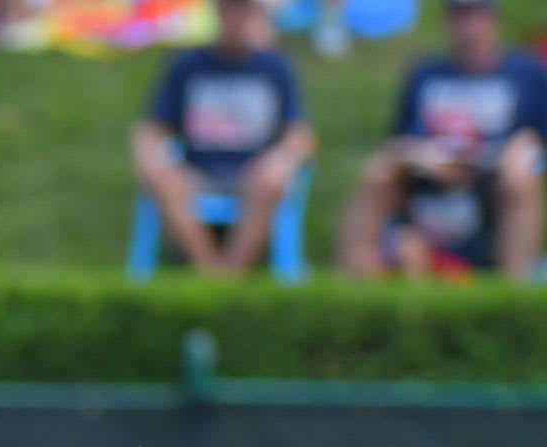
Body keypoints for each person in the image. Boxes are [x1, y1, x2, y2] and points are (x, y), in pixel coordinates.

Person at [337, 0, 547, 280]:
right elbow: (397, 140)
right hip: (428, 175)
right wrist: (421, 155)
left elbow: (537, 138)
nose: (468, 26)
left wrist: (524, 147)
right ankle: (353, 280)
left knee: (520, 178)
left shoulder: (526, 73)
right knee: (378, 172)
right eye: (459, 15)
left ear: (492, 19)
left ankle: (514, 286)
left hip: (492, 180)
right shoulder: (425, 73)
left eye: (476, 14)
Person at [131, 0, 315, 274]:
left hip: (252, 173)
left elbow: (299, 133)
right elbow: (152, 127)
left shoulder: (274, 66)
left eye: (243, 8)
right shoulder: (187, 64)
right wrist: (150, 155)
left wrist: (280, 159)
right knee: (161, 176)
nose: (235, 16)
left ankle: (230, 273)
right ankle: (210, 271)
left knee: (272, 179)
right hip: (197, 171)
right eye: (230, 7)